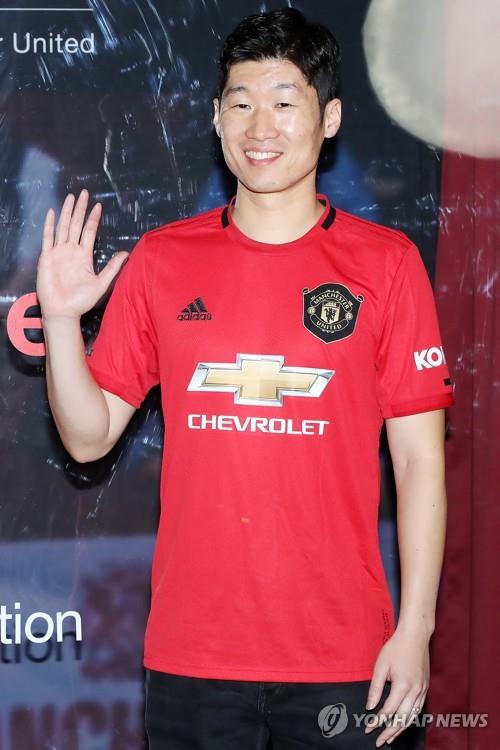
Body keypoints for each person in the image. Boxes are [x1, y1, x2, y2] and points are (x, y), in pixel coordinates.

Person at [36, 8, 455, 749]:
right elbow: (88, 436)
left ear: (329, 119)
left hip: (344, 656)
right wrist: (65, 322)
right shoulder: (162, 261)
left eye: (285, 102)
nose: (261, 127)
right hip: (193, 656)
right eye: (241, 103)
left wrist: (415, 628)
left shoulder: (387, 266)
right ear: (215, 117)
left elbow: (420, 460)